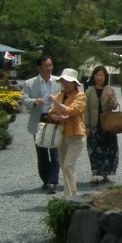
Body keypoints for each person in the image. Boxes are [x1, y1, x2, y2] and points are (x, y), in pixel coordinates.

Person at [20, 56, 62, 192]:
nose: (48, 68)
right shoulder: (30, 83)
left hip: (54, 118)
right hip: (39, 118)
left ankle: (53, 181)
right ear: (39, 67)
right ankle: (45, 179)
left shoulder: (58, 81)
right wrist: (33, 101)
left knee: (55, 150)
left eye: (50, 65)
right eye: (45, 66)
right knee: (42, 150)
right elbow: (23, 98)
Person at [46, 68, 87, 198]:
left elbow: (71, 110)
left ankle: (70, 196)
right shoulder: (60, 95)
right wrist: (57, 118)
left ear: (75, 83)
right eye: (63, 81)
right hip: (62, 134)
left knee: (68, 165)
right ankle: (71, 195)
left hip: (76, 134)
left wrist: (55, 102)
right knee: (65, 166)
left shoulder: (80, 96)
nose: (65, 84)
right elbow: (51, 113)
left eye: (68, 81)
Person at [84, 65, 120, 184]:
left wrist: (110, 98)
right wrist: (87, 126)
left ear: (105, 77)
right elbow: (86, 110)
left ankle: (106, 173)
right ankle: (95, 173)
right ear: (94, 77)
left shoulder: (110, 90)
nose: (99, 77)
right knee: (93, 149)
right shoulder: (88, 92)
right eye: (97, 75)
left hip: (107, 125)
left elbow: (114, 106)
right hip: (94, 124)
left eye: (101, 75)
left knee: (108, 149)